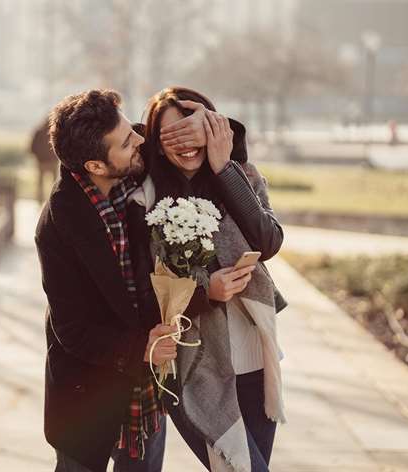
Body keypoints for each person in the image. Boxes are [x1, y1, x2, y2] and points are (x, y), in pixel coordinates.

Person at [35, 89, 205, 472]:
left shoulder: (135, 168)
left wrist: (211, 124)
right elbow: (72, 330)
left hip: (144, 395)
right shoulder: (57, 227)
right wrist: (141, 348)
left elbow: (190, 142)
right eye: (128, 141)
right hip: (86, 398)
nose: (140, 141)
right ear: (95, 165)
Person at [127, 87, 287, 472]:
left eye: (193, 130)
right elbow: (142, 291)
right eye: (171, 136)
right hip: (195, 367)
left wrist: (223, 164)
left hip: (254, 359)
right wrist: (205, 293)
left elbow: (268, 241)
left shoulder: (240, 176)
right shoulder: (144, 201)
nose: (185, 143)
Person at [30, 119, 60, 203]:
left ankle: (41, 201)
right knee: (55, 184)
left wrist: (39, 157)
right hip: (49, 162)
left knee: (42, 183)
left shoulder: (38, 132)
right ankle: (53, 201)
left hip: (42, 162)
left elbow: (32, 148)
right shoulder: (54, 132)